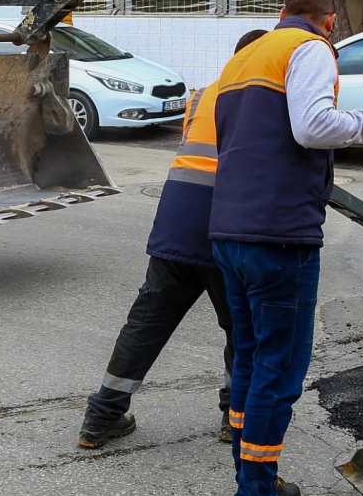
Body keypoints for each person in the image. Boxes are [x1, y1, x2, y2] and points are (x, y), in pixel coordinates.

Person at [210, 0, 363, 496]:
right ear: (329, 20)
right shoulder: (312, 48)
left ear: (279, 13)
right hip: (279, 236)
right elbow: (313, 127)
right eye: (333, 27)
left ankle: (257, 483)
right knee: (278, 371)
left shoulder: (245, 58)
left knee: (249, 363)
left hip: (230, 232)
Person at [77, 29, 269, 452]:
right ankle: (231, 417)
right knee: (242, 328)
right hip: (227, 227)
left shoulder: (202, 95)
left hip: (178, 221)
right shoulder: (265, 99)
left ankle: (102, 416)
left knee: (147, 323)